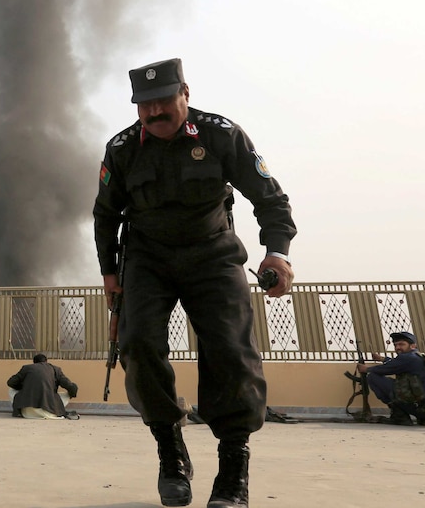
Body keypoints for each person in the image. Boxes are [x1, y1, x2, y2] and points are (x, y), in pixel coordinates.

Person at [93, 58, 296, 508]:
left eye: (163, 100)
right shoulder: (122, 148)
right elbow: (105, 215)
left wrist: (277, 254)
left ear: (185, 92)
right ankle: (170, 450)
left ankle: (232, 470)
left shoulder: (223, 134)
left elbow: (270, 198)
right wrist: (110, 274)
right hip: (147, 259)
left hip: (213, 254)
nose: (153, 112)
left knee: (229, 350)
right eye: (144, 105)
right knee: (139, 345)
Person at [356, 331, 425, 426]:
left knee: (373, 377)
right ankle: (423, 419)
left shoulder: (407, 358)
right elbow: (397, 364)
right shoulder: (419, 357)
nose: (398, 347)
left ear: (413, 346)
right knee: (412, 387)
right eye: (396, 345)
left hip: (423, 408)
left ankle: (399, 417)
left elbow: (385, 369)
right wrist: (383, 359)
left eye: (402, 344)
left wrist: (366, 369)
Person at [7, 354, 79, 419]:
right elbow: (71, 387)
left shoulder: (26, 368)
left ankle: (22, 409)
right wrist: (72, 393)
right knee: (67, 394)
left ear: (34, 362)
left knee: (11, 390)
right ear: (46, 361)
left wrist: (24, 389)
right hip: (51, 411)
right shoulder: (56, 369)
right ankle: (56, 409)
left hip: (28, 413)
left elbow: (10, 382)